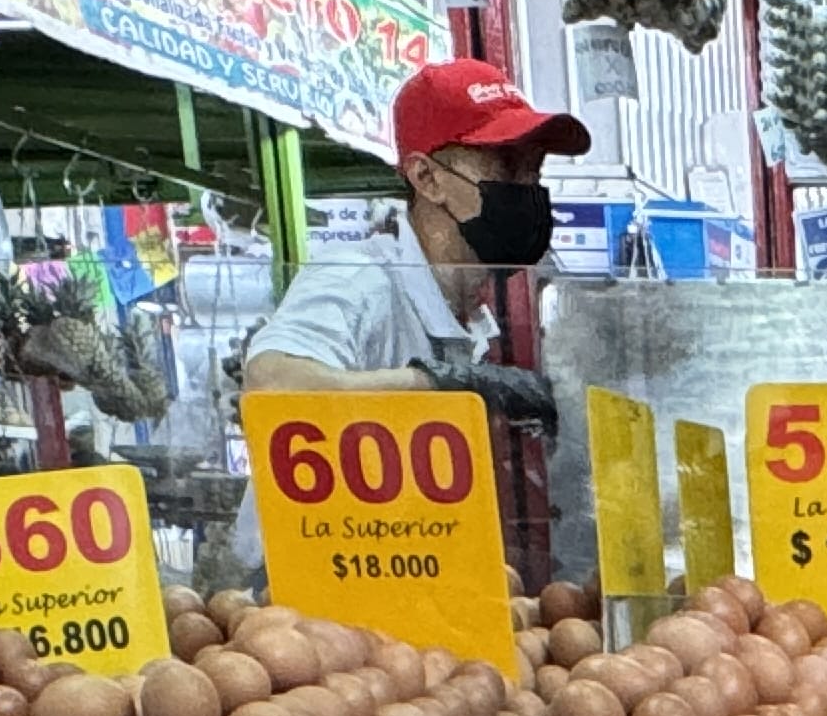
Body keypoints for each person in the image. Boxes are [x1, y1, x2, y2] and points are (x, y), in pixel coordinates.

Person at [243, 58, 587, 435]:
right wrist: (438, 385)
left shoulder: (470, 315)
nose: (527, 187)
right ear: (426, 178)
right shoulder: (359, 278)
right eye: (505, 164)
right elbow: (271, 385)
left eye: (534, 168)